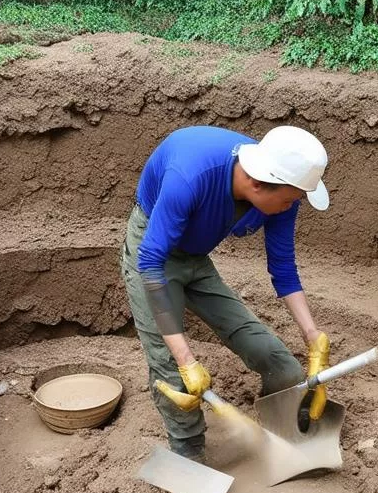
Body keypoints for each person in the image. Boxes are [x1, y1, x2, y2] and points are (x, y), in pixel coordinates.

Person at [120, 124, 332, 462]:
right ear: (257, 184)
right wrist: (186, 360)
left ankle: (283, 431)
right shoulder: (190, 176)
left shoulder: (282, 189)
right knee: (172, 371)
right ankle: (188, 451)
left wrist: (312, 337)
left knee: (283, 366)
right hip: (151, 251)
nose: (292, 206)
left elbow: (283, 268)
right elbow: (151, 262)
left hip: (195, 258)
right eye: (290, 200)